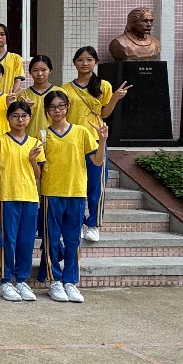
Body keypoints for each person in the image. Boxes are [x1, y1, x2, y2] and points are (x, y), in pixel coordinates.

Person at [39, 90, 108, 303]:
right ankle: (54, 281)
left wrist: (102, 140)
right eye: (52, 107)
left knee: (73, 240)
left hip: (76, 192)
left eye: (61, 106)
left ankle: (70, 281)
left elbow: (97, 161)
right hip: (51, 192)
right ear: (47, 110)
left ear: (67, 107)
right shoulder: (42, 135)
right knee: (51, 239)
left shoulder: (81, 132)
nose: (57, 110)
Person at [61, 46, 130, 243]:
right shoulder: (65, 89)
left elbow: (104, 113)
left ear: (96, 62)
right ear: (74, 63)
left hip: (96, 140)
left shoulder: (104, 86)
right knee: (75, 185)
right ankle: (77, 223)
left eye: (89, 60)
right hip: (73, 141)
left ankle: (93, 224)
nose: (85, 63)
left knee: (96, 184)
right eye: (81, 60)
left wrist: (115, 98)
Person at [0, 101, 44, 302]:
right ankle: (5, 281)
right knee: (8, 241)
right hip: (7, 196)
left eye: (24, 116)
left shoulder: (35, 143)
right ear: (8, 118)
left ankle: (21, 280)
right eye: (15, 116)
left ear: (29, 118)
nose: (20, 120)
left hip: (29, 196)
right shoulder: (0, 142)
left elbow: (38, 175)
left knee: (26, 241)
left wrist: (33, 159)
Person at [19, 55, 55, 138]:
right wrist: (26, 109)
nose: (39, 74)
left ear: (50, 70)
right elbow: (17, 120)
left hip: (53, 138)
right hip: (28, 139)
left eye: (44, 70)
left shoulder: (59, 93)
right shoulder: (23, 95)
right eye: (35, 70)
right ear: (30, 72)